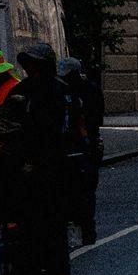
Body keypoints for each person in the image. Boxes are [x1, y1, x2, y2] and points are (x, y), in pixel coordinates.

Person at [5, 44, 72, 275]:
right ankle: (31, 267)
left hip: (48, 162)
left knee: (50, 217)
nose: (30, 68)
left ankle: (52, 267)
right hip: (32, 161)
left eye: (35, 64)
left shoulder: (56, 91)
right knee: (29, 218)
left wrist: (33, 158)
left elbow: (50, 129)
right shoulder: (23, 90)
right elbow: (10, 119)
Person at [59, 57, 104, 246]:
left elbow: (94, 118)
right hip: (82, 144)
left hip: (85, 144)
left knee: (83, 190)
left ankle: (85, 230)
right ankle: (82, 230)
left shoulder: (83, 90)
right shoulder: (84, 88)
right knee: (81, 190)